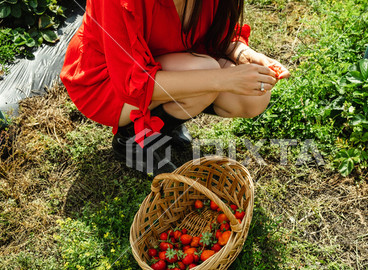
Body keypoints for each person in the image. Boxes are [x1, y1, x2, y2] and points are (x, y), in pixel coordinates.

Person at [60, 0, 290, 173]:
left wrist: (244, 54)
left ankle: (163, 124)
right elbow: (131, 84)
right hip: (107, 82)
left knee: (253, 98)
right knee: (204, 75)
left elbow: (218, 35)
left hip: (172, 62)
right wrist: (224, 79)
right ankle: (131, 141)